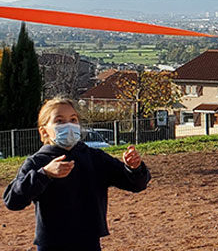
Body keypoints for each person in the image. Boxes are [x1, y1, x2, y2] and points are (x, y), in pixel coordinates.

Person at [3, 98, 150, 251]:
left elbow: (136, 184)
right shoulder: (37, 162)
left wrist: (134, 168)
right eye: (59, 121)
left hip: (89, 241)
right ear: (44, 131)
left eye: (73, 119)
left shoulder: (94, 158)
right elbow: (12, 200)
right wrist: (44, 174)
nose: (69, 125)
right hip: (52, 244)